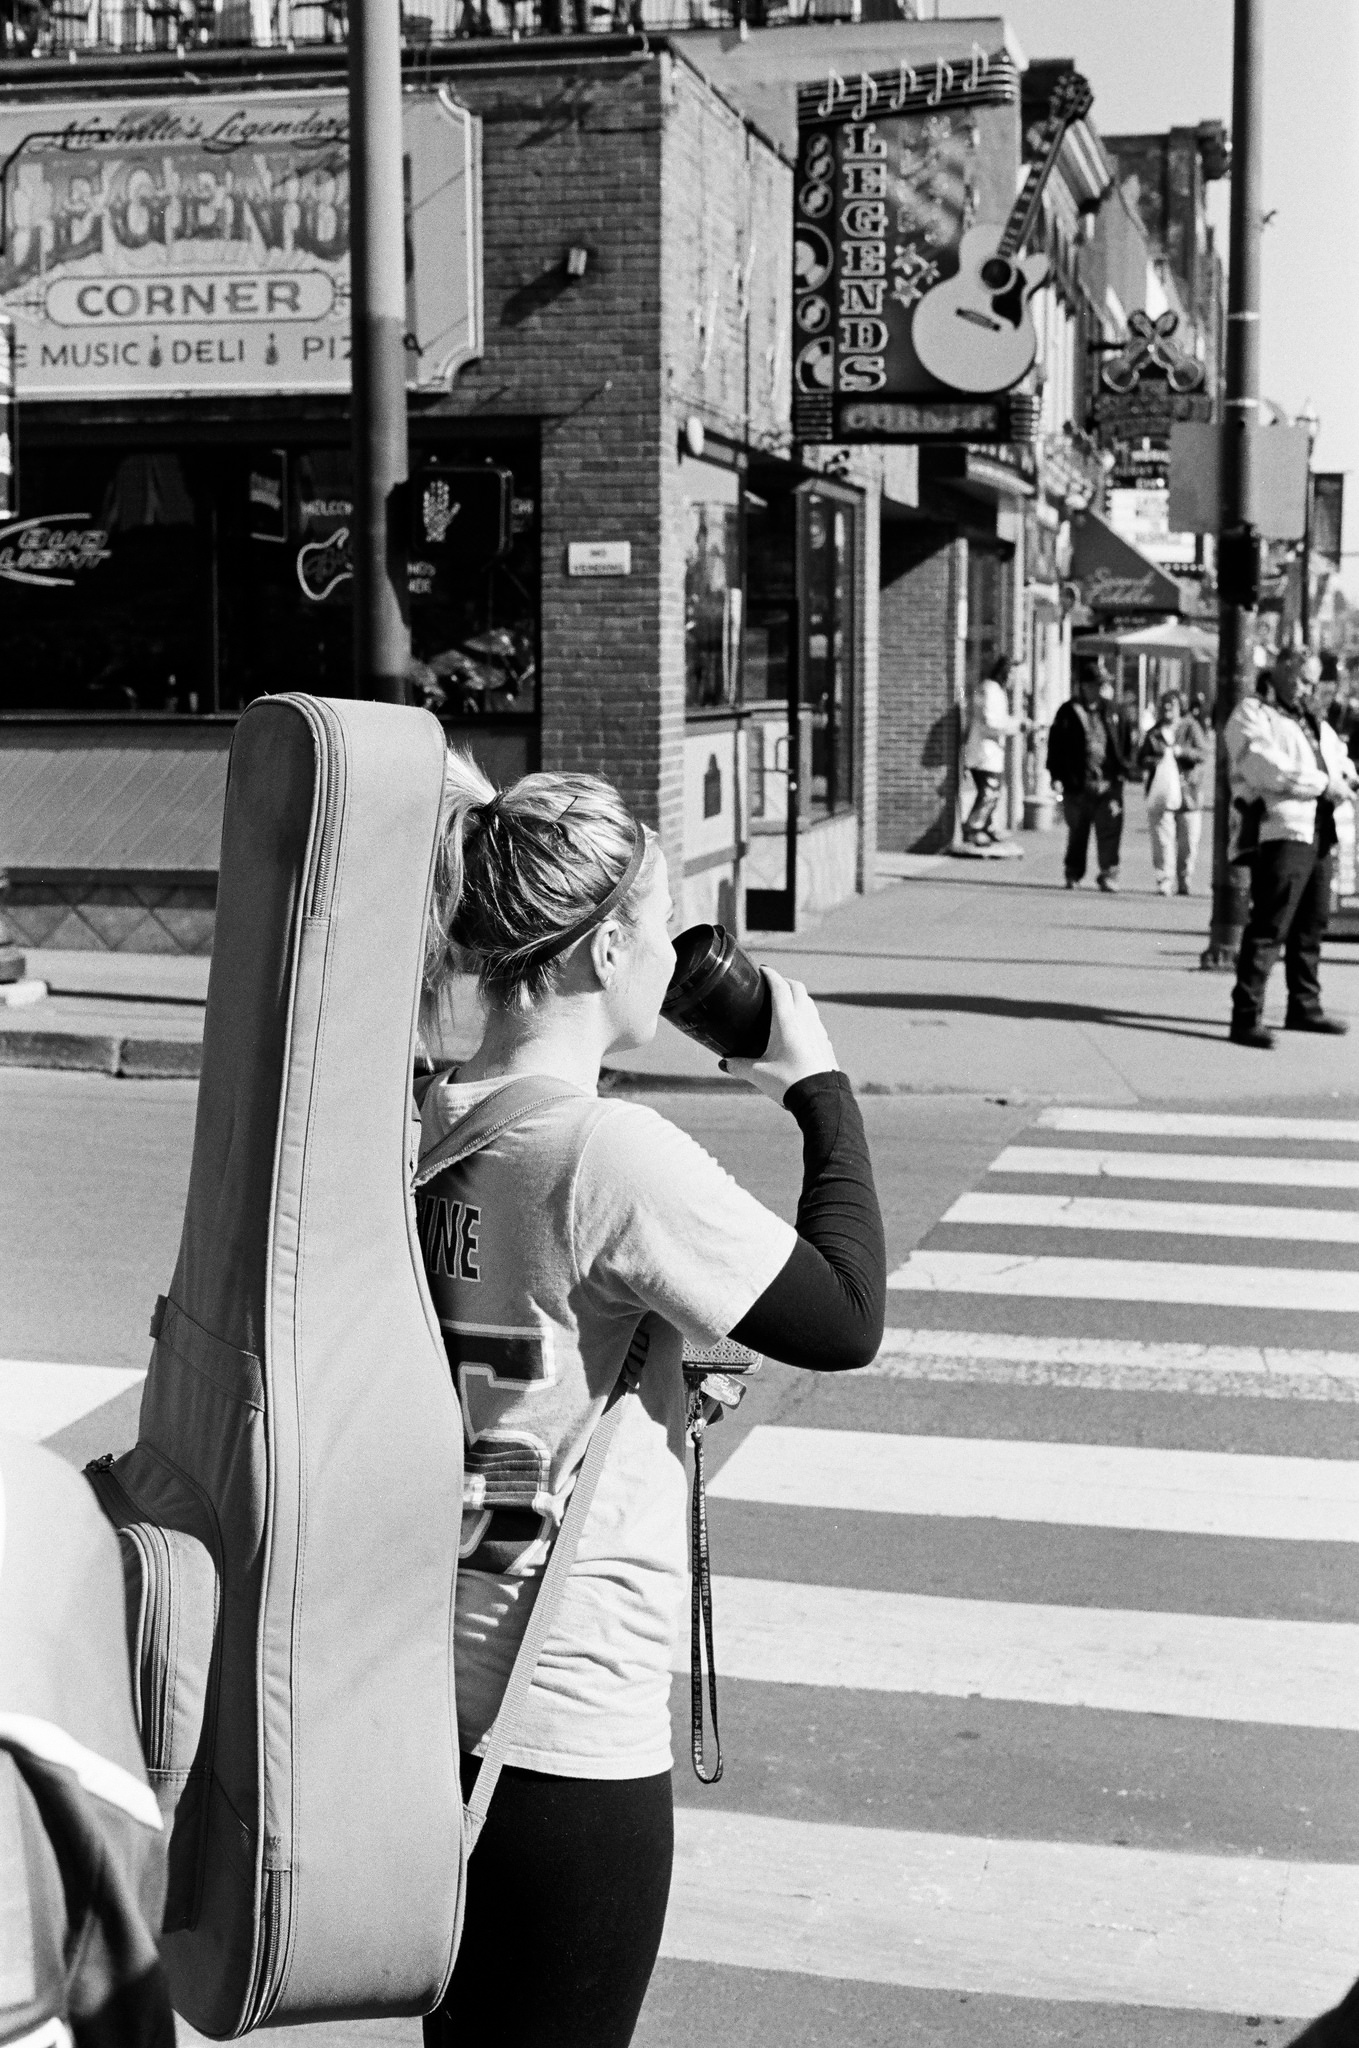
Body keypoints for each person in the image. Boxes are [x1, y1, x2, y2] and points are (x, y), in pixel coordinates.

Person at [416, 758, 885, 2048]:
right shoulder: (606, 1154)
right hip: (561, 1734)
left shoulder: (421, 1117)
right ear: (609, 941)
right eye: (663, 928)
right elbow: (846, 1313)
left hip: (422, 1709)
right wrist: (818, 1085)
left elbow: (526, 1335)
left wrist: (659, 1364)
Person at [1225, 654, 1359, 1048]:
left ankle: (1304, 1004)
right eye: (1303, 680)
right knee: (1270, 922)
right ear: (1282, 671)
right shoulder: (1254, 713)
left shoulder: (1308, 718)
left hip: (1320, 829)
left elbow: (1339, 759)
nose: (1308, 689)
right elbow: (1264, 766)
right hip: (1281, 828)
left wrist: (1346, 779)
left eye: (1313, 682)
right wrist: (1322, 784)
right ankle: (1246, 1014)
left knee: (1312, 922)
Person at [1046, 658, 1135, 891]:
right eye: (1096, 684)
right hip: (1078, 783)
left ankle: (1109, 874)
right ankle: (1073, 872)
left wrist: (1124, 769)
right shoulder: (1067, 712)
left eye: (1101, 684)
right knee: (1078, 831)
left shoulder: (1114, 710)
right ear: (1084, 686)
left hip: (1109, 783)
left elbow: (1126, 741)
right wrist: (1056, 775)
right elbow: (1056, 746)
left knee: (1110, 831)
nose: (1100, 688)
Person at [1137, 689, 1210, 895]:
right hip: (1161, 793)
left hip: (1189, 794)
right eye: (1164, 704)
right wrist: (1157, 762)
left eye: (1172, 704)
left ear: (1181, 707)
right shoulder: (1154, 733)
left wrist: (1183, 752)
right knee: (1162, 840)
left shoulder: (1191, 727)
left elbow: (1203, 753)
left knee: (1188, 842)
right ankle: (1164, 881)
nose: (1167, 708)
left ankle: (1184, 878)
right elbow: (1140, 759)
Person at [962, 653, 1023, 847]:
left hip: (992, 752)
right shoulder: (988, 690)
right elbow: (989, 722)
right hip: (984, 753)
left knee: (994, 791)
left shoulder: (997, 691)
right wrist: (1015, 726)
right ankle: (974, 827)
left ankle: (987, 826)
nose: (1014, 679)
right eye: (1012, 674)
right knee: (989, 791)